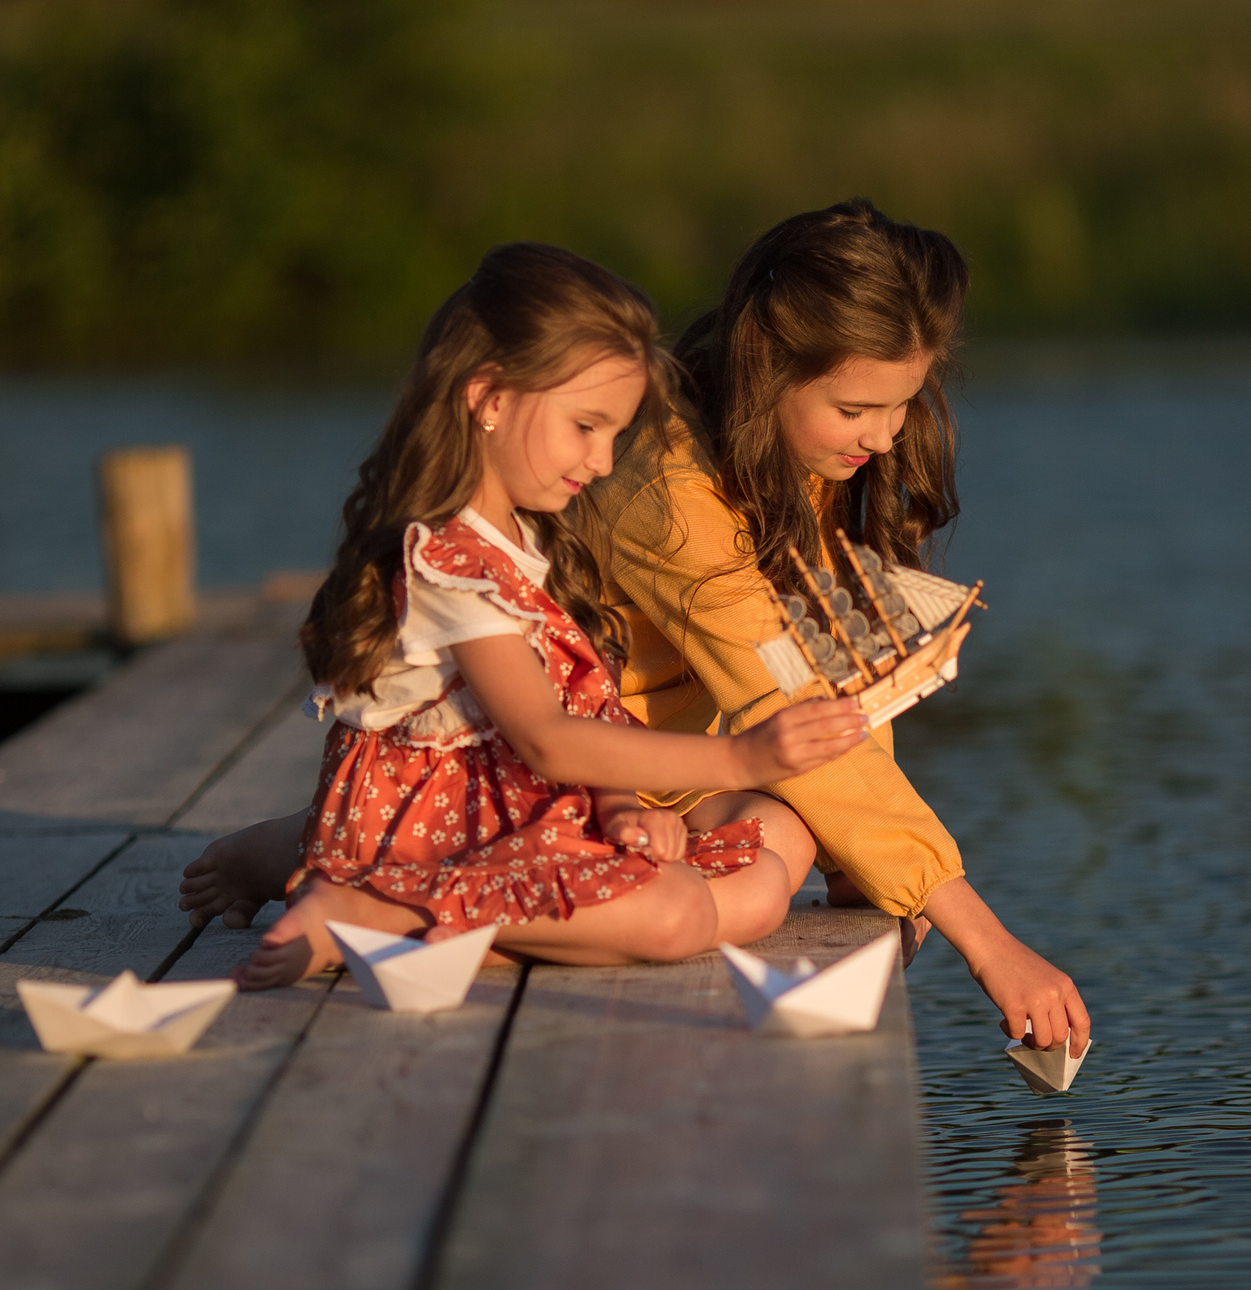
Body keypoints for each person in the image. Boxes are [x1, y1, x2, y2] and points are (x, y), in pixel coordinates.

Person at [183, 200, 1089, 1055]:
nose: (886, 438)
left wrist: (878, 866)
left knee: (784, 844)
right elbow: (775, 691)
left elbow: (828, 670)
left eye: (902, 404)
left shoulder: (786, 449)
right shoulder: (662, 497)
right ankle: (343, 872)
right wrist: (985, 937)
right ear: (771, 369)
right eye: (856, 411)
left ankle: (357, 868)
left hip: (627, 776)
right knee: (684, 901)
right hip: (552, 775)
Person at [225, 241, 865, 990]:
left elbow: (584, 708)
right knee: (678, 918)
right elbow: (548, 739)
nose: (600, 461)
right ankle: (372, 911)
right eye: (585, 426)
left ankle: (380, 911)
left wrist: (621, 806)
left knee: (765, 872)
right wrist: (739, 760)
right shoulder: (451, 564)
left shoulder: (528, 538)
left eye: (615, 434)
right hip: (443, 834)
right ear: (491, 399)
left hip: (525, 812)